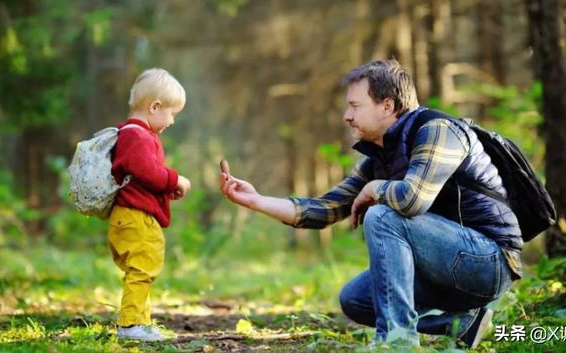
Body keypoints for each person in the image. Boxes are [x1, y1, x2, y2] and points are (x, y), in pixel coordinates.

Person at [219, 59, 523, 348]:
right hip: (445, 267)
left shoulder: (437, 130)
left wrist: (376, 189)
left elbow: (412, 200)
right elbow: (325, 210)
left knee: (383, 215)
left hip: (489, 262)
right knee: (356, 299)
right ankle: (460, 324)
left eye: (354, 105)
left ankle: (397, 341)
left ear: (387, 105)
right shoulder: (381, 157)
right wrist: (256, 200)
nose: (347, 116)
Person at [108, 68, 191, 341]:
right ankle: (131, 325)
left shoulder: (134, 134)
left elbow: (139, 179)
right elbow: (145, 171)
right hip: (135, 217)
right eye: (172, 113)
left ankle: (140, 322)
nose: (173, 121)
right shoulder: (136, 135)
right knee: (142, 269)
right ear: (155, 106)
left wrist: (166, 191)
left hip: (134, 214)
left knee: (144, 268)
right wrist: (176, 179)